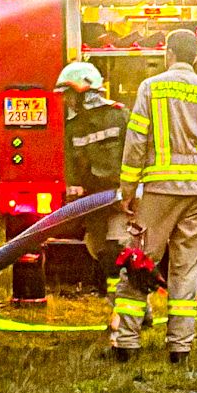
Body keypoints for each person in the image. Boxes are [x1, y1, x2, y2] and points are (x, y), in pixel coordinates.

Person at [112, 27, 197, 365]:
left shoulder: (151, 88)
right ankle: (180, 348)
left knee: (139, 262)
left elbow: (136, 142)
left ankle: (126, 344)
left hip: (159, 191)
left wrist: (127, 190)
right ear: (195, 56)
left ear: (169, 54)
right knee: (185, 269)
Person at [54, 60, 130, 285]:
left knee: (119, 248)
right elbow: (70, 163)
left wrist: (133, 189)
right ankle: (116, 298)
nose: (66, 100)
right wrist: (72, 188)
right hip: (92, 201)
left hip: (120, 197)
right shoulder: (73, 127)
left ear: (84, 91)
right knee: (98, 249)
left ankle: (124, 299)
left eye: (69, 94)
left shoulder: (119, 115)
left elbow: (136, 152)